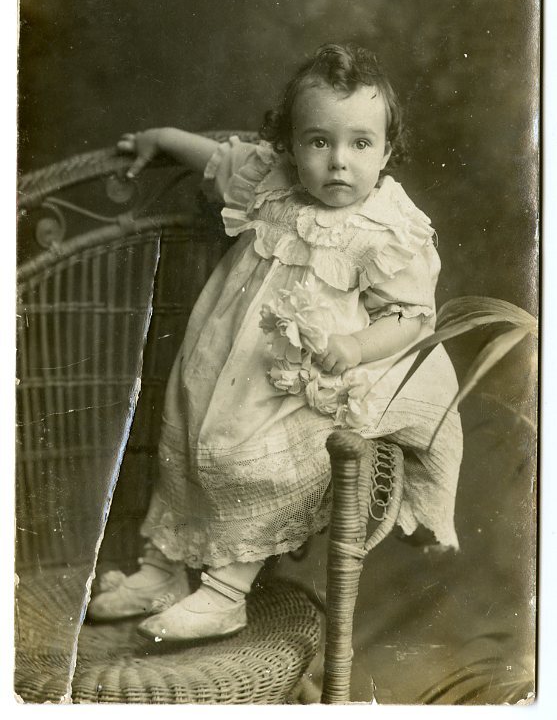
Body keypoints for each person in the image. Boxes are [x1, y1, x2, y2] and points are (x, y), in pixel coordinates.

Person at [88, 43, 463, 642]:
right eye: (319, 142)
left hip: (302, 375)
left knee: (247, 463)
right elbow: (217, 157)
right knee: (185, 441)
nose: (339, 162)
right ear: (290, 145)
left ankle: (226, 591)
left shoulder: (389, 226)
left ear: (387, 150)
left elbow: (411, 315)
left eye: (360, 144)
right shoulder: (271, 181)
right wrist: (164, 136)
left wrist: (357, 344)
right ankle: (161, 568)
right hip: (219, 358)